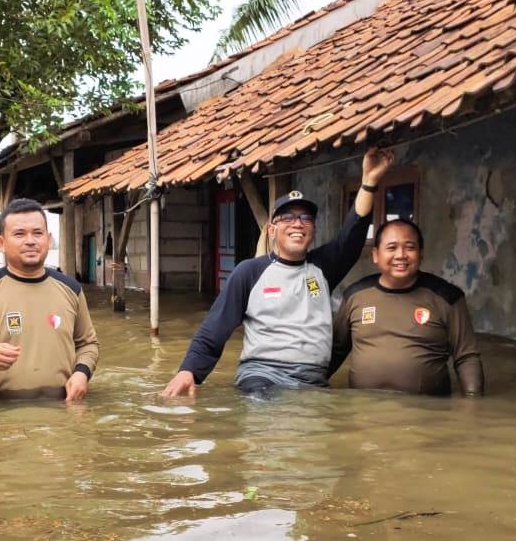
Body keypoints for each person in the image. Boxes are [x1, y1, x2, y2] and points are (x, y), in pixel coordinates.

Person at [160, 146, 394, 397]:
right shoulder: (249, 272)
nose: (297, 223)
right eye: (288, 218)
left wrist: (368, 182)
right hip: (262, 376)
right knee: (263, 417)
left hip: (312, 380)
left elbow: (353, 234)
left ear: (312, 230)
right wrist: (189, 371)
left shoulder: (322, 268)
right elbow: (213, 330)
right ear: (272, 230)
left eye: (305, 218)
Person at [0, 198, 99, 401]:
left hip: (62, 410)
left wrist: (82, 373)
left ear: (48, 238)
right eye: (19, 234)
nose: (30, 241)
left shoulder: (71, 289)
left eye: (38, 233)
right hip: (0, 413)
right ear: (1, 243)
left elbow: (88, 344)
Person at [330, 218, 483, 396]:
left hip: (426, 413)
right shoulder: (355, 295)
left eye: (410, 247)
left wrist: (473, 405)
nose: (401, 255)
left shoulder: (447, 297)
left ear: (421, 254)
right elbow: (336, 349)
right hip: (363, 411)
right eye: (391, 247)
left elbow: (466, 357)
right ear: (375, 254)